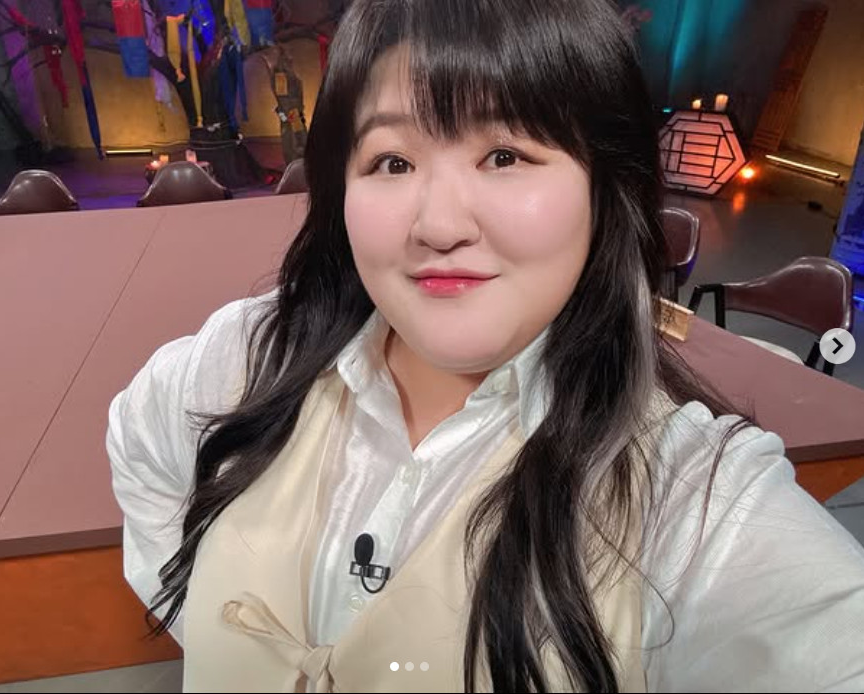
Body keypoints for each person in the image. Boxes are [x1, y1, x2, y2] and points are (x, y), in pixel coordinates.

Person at [106, 0, 864, 691]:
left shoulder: (690, 503)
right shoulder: (247, 359)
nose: (439, 225)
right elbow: (140, 446)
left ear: (607, 185)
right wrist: (214, 630)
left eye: (505, 155)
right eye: (392, 161)